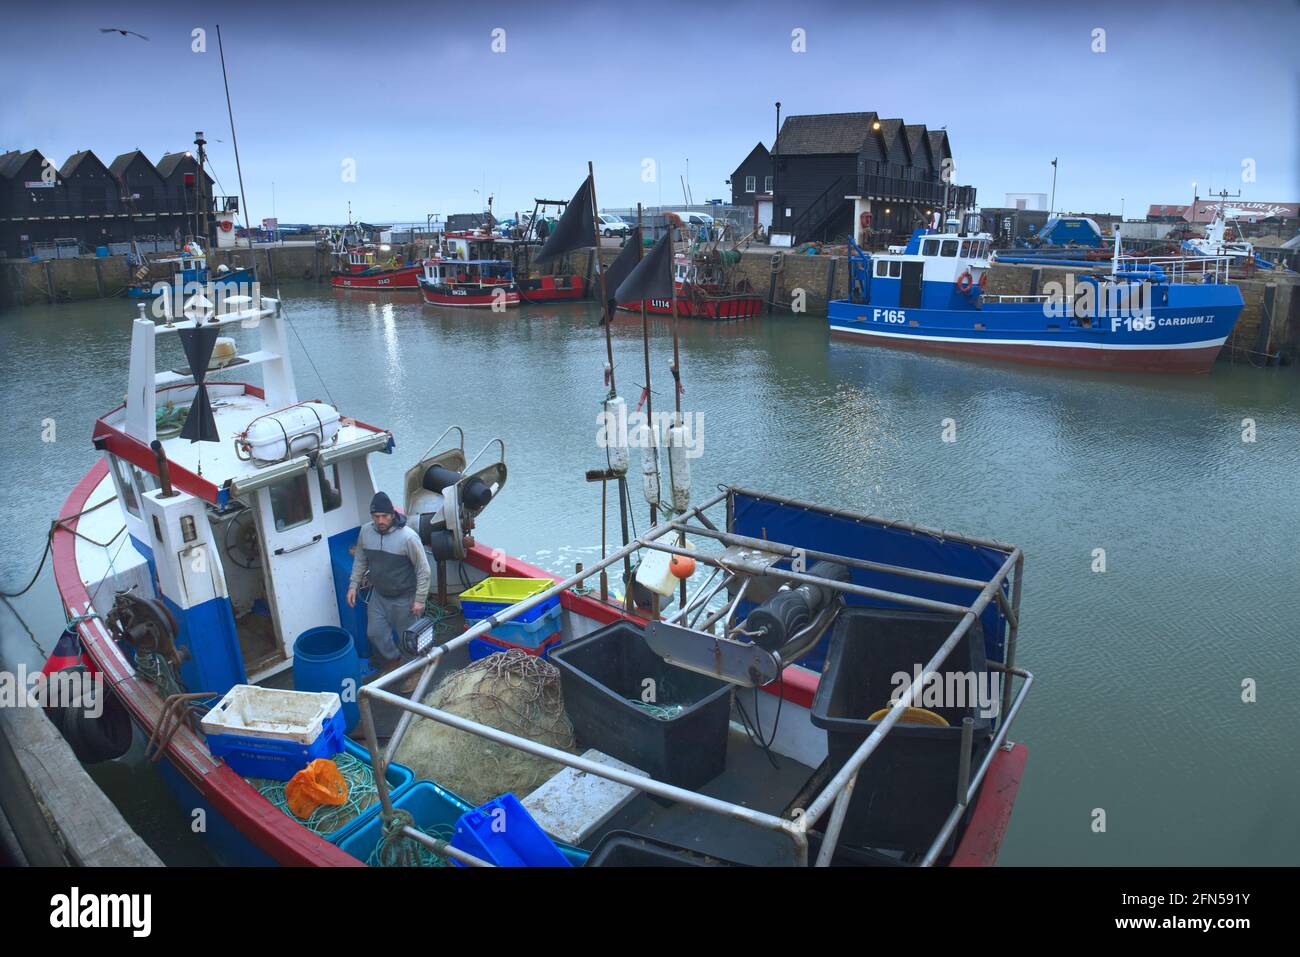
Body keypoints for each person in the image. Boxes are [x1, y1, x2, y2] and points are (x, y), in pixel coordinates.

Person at [346, 491, 430, 674]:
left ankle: (416, 671)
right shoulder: (366, 532)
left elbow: (423, 569)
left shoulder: (408, 537)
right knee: (374, 633)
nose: (380, 521)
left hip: (404, 597)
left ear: (392, 515)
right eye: (376, 516)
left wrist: (420, 599)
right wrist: (353, 585)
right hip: (379, 595)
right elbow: (361, 559)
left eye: (384, 516)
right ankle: (394, 658)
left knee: (407, 638)